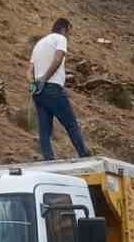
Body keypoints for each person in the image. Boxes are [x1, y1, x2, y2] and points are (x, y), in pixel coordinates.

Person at [28, 17, 89, 161]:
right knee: (71, 125)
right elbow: (58, 59)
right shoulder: (60, 39)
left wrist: (33, 84)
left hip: (38, 92)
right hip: (53, 88)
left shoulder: (39, 44)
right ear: (65, 28)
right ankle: (84, 156)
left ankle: (49, 160)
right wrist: (45, 78)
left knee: (44, 130)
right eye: (69, 32)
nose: (69, 36)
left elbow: (29, 70)